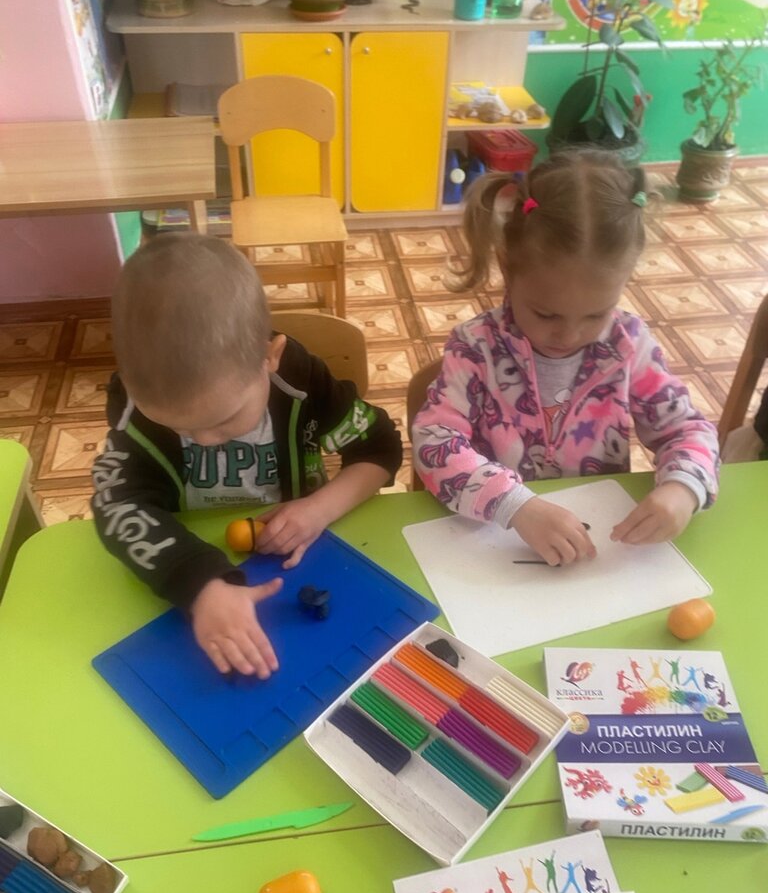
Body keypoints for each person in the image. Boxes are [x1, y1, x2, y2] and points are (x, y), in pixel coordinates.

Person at [92, 233, 401, 678]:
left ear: (269, 358)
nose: (205, 441)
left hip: (300, 558)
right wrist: (198, 584)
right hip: (187, 551)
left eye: (225, 419)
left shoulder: (300, 381)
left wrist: (319, 509)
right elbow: (115, 503)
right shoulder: (134, 406)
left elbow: (380, 447)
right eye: (179, 428)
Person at [412, 149, 719, 566]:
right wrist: (514, 505)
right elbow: (434, 441)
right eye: (546, 314)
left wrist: (683, 488)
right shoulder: (474, 347)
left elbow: (686, 430)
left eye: (596, 314)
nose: (569, 335)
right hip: (492, 543)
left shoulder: (629, 344)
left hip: (597, 549)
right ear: (507, 267)